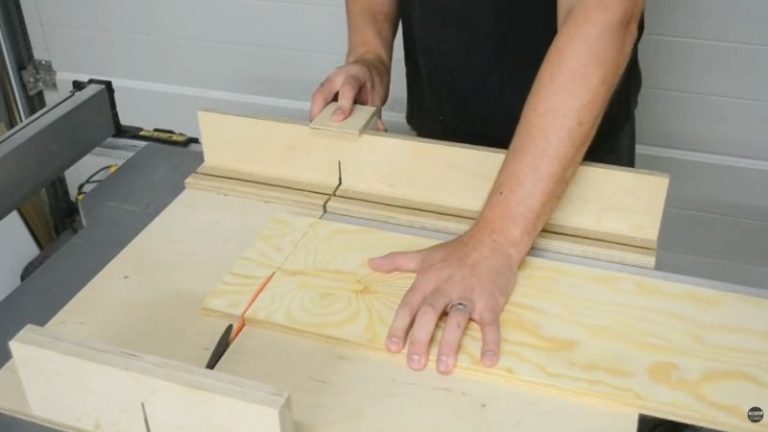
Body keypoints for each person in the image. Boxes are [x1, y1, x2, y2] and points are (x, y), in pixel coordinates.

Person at [309, 0, 644, 375]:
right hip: (444, 136)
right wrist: (369, 53)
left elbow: (602, 14)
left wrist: (495, 243)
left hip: (573, 156)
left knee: (566, 369)